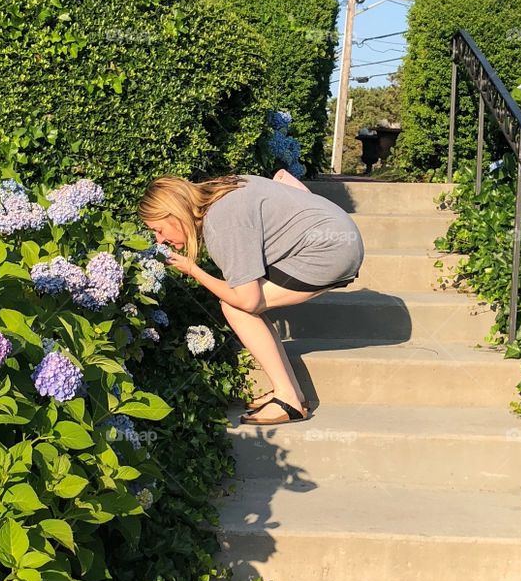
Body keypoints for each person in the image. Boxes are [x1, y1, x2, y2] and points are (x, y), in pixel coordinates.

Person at [137, 169, 365, 424]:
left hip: (331, 251)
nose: (160, 239)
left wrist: (193, 270)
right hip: (339, 237)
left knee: (236, 307)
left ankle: (288, 399)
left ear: (174, 213)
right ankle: (292, 394)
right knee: (243, 301)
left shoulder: (220, 221)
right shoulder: (225, 188)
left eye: (158, 229)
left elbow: (248, 300)